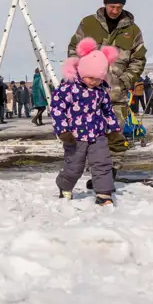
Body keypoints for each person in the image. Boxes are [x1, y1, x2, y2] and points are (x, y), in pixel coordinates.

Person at [67, 0, 146, 154]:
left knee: (116, 142)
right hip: (89, 95)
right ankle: (99, 176)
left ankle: (109, 175)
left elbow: (138, 59)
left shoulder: (133, 30)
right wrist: (81, 79)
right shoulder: (88, 24)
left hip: (117, 96)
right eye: (112, 6)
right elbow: (74, 51)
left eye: (119, 7)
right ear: (105, 3)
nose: (115, 11)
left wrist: (124, 81)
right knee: (90, 141)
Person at [52, 37, 121, 207]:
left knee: (102, 163)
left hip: (97, 134)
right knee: (74, 166)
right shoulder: (68, 89)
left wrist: (113, 129)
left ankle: (104, 194)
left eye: (98, 78)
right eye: (90, 77)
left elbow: (107, 111)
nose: (94, 82)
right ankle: (64, 185)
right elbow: (57, 109)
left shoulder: (101, 91)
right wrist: (63, 130)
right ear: (82, 71)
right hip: (75, 136)